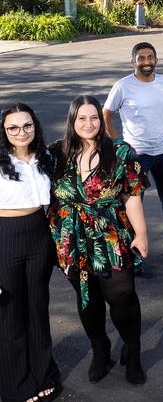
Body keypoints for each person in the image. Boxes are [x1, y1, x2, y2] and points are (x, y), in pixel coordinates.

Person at [48, 95, 148, 385]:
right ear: (72, 121)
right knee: (87, 298)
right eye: (81, 118)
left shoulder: (120, 152)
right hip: (72, 238)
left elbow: (132, 195)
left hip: (111, 234)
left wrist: (141, 233)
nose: (88, 123)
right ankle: (100, 348)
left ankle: (133, 349)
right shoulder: (56, 153)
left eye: (94, 117)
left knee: (122, 294)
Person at [103, 41, 163, 267]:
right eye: (141, 58)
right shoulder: (123, 86)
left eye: (150, 57)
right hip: (136, 155)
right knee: (133, 203)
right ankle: (133, 252)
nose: (146, 62)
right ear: (133, 62)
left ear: (156, 60)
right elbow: (106, 114)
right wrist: (117, 144)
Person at [0, 104, 61, 402]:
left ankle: (43, 374)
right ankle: (16, 383)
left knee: (37, 308)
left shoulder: (46, 157)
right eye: (13, 128)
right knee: (10, 313)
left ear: (35, 126)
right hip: (5, 236)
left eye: (27, 126)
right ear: (4, 131)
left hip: (39, 235)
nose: (21, 132)